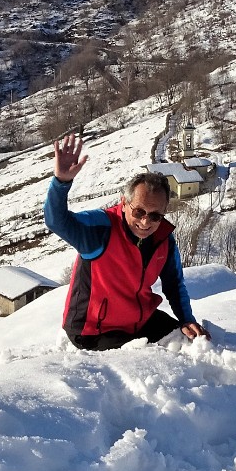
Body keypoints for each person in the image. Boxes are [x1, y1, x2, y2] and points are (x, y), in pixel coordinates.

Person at [43, 133, 208, 350]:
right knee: (149, 358)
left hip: (138, 320)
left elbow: (174, 285)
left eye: (155, 215)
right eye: (139, 211)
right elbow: (57, 221)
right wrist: (61, 182)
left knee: (190, 341)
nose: (145, 221)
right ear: (124, 203)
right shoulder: (101, 228)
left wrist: (186, 318)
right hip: (93, 329)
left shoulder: (164, 239)